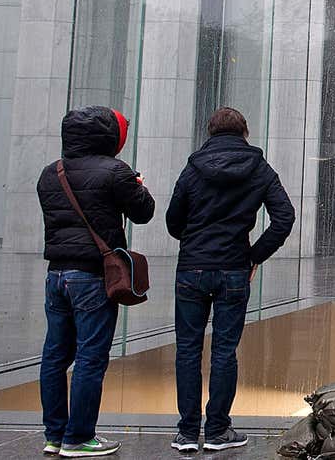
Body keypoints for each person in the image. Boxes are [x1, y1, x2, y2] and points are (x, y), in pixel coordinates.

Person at [164, 107, 296, 453]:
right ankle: (219, 430)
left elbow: (173, 220)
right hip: (234, 268)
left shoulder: (193, 169)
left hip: (192, 268)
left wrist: (192, 240)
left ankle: (188, 433)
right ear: (245, 133)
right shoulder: (259, 169)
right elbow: (284, 217)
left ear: (210, 132)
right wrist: (254, 255)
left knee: (188, 351)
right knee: (224, 351)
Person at [36, 106, 155, 457]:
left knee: (55, 355)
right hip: (91, 276)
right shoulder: (115, 172)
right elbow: (144, 212)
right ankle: (79, 437)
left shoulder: (50, 173)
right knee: (90, 356)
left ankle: (54, 435)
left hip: (56, 275)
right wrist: (137, 187)